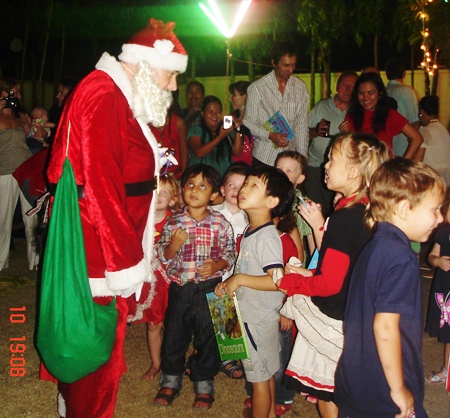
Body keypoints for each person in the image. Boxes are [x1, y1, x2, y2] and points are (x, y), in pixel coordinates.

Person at [44, 18, 188, 417]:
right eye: (171, 74)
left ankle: (74, 401)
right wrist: (126, 264)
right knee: (100, 344)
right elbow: (102, 187)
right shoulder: (104, 94)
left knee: (93, 336)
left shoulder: (117, 92)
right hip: (101, 249)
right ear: (143, 63)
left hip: (105, 240)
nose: (173, 86)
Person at [277, 133, 389, 418]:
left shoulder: (343, 219)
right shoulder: (370, 211)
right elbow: (350, 267)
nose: (325, 165)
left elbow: (329, 284)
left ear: (353, 171)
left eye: (332, 159)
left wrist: (294, 282)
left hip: (335, 319)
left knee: (327, 390)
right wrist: (311, 270)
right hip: (359, 314)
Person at [335, 158, 446, 418]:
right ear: (405, 209)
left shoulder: (374, 247)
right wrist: (398, 388)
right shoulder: (401, 257)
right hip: (385, 388)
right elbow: (384, 326)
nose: (440, 219)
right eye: (435, 209)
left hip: (356, 377)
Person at [215, 165, 296, 418]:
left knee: (258, 380)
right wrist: (229, 284)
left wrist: (239, 279)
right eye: (245, 183)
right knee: (265, 372)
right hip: (253, 314)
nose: (243, 188)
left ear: (272, 201)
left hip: (256, 319)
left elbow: (277, 281)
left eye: (253, 186)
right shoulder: (253, 230)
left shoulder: (266, 236)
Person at [154, 164, 236, 410]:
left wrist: (217, 265)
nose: (195, 190)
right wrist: (174, 245)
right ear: (182, 190)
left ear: (213, 194)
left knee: (208, 335)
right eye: (190, 184)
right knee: (175, 334)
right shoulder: (174, 223)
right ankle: (171, 377)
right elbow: (164, 256)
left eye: (202, 186)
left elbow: (231, 253)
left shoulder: (220, 223)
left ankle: (204, 378)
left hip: (211, 288)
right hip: (182, 288)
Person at [138, 175, 180, 381]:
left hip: (171, 282)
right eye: (155, 191)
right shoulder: (139, 219)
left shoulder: (176, 223)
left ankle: (174, 362)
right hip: (150, 282)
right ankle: (156, 363)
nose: (158, 196)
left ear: (173, 199)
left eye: (164, 192)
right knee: (154, 323)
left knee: (172, 324)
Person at [211, 162, 249, 380]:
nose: (236, 190)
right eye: (231, 186)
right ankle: (218, 355)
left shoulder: (249, 217)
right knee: (220, 308)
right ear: (223, 190)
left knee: (236, 313)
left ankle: (233, 353)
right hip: (217, 270)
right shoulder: (213, 213)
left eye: (241, 186)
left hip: (239, 272)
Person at [243, 41, 309, 167]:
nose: (291, 70)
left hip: (290, 158)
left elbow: (302, 125)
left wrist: (302, 158)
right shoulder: (257, 88)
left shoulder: (300, 88)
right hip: (264, 157)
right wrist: (271, 135)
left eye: (294, 65)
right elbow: (248, 122)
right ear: (274, 63)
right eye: (286, 65)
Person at [0, 78, 39, 271]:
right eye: (16, 92)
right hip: (5, 172)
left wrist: (34, 127)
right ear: (4, 94)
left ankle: (35, 262)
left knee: (31, 217)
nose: (20, 96)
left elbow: (31, 136)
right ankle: (1, 262)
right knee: (3, 219)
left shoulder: (20, 114)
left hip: (26, 169)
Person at [306, 71, 358, 217]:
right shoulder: (322, 106)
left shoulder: (357, 111)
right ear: (337, 86)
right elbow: (303, 133)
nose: (348, 90)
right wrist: (316, 131)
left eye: (353, 87)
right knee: (314, 208)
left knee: (336, 210)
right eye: (345, 85)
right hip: (316, 166)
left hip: (343, 170)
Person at [339, 72, 423, 159]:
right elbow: (349, 148)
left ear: (380, 93)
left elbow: (417, 138)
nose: (366, 98)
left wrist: (402, 165)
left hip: (383, 169)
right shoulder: (352, 116)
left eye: (370, 93)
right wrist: (344, 135)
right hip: (360, 169)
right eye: (361, 93)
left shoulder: (389, 114)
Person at [424, 187, 450, 385]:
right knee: (448, 334)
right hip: (446, 289)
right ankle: (446, 370)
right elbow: (431, 256)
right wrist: (438, 261)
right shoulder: (443, 234)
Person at [187, 95, 242, 177]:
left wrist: (238, 129)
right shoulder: (197, 130)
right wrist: (220, 137)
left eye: (218, 111)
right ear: (202, 113)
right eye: (211, 112)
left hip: (222, 177)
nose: (215, 115)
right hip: (201, 177)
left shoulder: (226, 130)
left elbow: (237, 152)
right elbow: (199, 152)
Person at [275, 150, 315, 262]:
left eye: (289, 171)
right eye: (279, 169)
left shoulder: (302, 204)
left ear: (300, 178)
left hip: (294, 263)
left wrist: (313, 268)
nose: (282, 174)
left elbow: (312, 238)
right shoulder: (265, 198)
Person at [385, 58, 419, 157]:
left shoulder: (381, 92)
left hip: (386, 144)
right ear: (404, 73)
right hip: (403, 146)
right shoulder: (406, 92)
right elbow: (415, 122)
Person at [414, 95, 450, 186]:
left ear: (421, 112)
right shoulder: (443, 129)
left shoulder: (425, 130)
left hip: (432, 178)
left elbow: (417, 161)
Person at [149, 105, 188, 178]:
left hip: (175, 174)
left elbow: (183, 151)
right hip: (154, 174)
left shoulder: (178, 123)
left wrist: (184, 175)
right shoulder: (147, 123)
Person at [229, 80, 253, 166]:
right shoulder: (230, 119)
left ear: (246, 96)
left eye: (234, 95)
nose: (230, 98)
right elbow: (236, 151)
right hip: (236, 167)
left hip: (256, 167)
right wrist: (238, 128)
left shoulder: (260, 120)